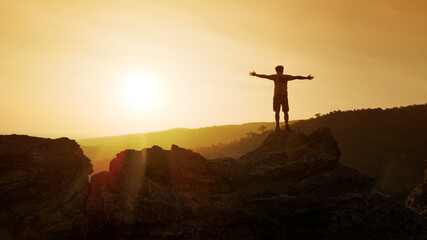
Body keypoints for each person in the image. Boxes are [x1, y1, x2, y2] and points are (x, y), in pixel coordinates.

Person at [250, 65, 313, 131]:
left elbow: (265, 76)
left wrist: (256, 75)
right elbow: (297, 77)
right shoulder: (286, 77)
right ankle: (286, 125)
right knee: (285, 111)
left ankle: (277, 126)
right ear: (282, 70)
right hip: (284, 96)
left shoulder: (275, 76)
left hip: (277, 96)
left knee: (277, 111)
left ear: (276, 70)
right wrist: (306, 77)